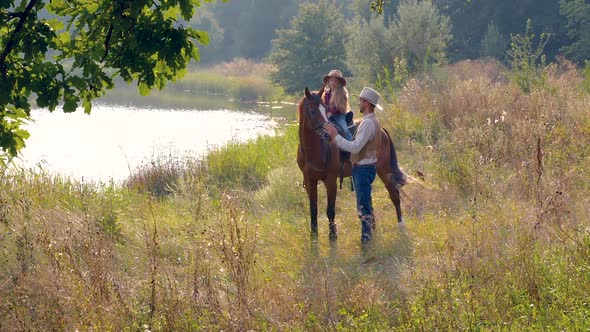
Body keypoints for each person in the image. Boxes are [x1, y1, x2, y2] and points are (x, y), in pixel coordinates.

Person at [323, 87, 384, 245]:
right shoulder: (372, 121)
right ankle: (370, 235)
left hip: (363, 169)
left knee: (362, 207)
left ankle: (366, 242)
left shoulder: (367, 124)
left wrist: (336, 137)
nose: (359, 103)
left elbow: (355, 147)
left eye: (362, 100)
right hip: (366, 167)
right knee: (366, 203)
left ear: (368, 104)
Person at [321, 70, 353, 141]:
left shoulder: (342, 93)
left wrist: (331, 112)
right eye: (331, 80)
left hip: (339, 115)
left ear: (339, 83)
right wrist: (327, 112)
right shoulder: (326, 93)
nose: (333, 82)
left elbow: (339, 106)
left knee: (344, 129)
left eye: (335, 81)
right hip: (327, 115)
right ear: (328, 82)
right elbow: (325, 104)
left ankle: (350, 143)